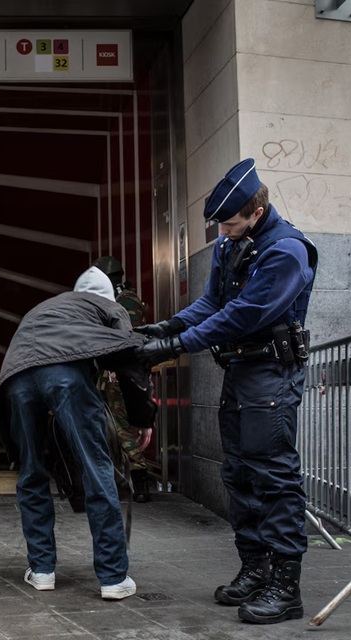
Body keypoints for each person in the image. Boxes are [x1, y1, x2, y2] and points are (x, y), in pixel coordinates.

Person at [136, 158, 318, 624]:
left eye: (230, 223)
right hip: (240, 372)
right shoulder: (231, 243)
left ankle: (286, 588)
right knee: (238, 473)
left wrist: (175, 346)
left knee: (273, 476)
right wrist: (169, 326)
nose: (223, 232)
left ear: (256, 212)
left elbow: (243, 315)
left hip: (271, 375)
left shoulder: (286, 251)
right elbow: (213, 302)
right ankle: (255, 569)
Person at [0, 266, 154, 598]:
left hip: (16, 379)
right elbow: (129, 357)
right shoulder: (109, 307)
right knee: (97, 467)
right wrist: (142, 418)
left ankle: (42, 570)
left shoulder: (51, 306)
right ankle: (113, 577)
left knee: (31, 472)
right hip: (64, 376)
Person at [90, 256, 153, 503]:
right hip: (111, 374)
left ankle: (139, 477)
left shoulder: (125, 301)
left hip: (122, 374)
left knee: (122, 427)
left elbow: (127, 338)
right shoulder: (113, 299)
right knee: (112, 428)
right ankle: (124, 478)